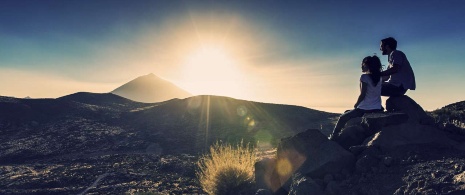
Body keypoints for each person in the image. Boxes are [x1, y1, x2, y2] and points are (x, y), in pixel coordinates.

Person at [329, 56, 384, 140]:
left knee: (342, 118)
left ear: (368, 65)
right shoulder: (379, 78)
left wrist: (356, 104)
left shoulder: (364, 77)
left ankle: (333, 137)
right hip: (377, 107)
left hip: (365, 108)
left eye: (363, 64)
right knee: (348, 112)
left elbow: (363, 94)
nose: (361, 66)